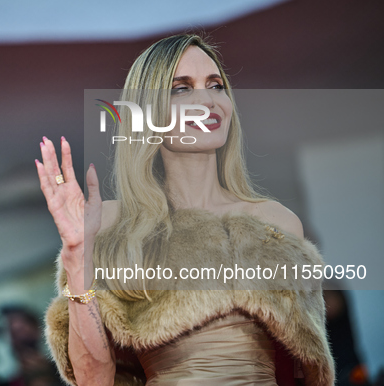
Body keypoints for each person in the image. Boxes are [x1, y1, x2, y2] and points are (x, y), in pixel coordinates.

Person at [36, 34, 335, 385]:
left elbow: (305, 371)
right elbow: (93, 379)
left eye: (216, 85)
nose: (206, 100)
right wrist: (76, 257)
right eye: (181, 89)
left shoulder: (276, 223)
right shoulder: (113, 227)